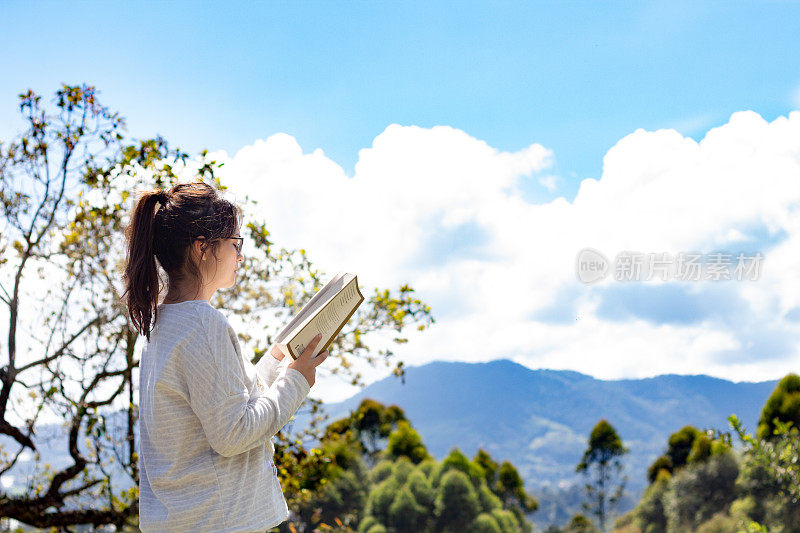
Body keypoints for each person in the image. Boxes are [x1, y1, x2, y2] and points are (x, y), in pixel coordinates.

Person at [121, 181, 329, 532]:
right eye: (235, 244)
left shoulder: (164, 322)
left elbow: (224, 404)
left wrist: (277, 361)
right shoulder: (203, 323)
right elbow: (234, 432)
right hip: (218, 521)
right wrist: (296, 381)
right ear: (203, 248)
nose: (240, 256)